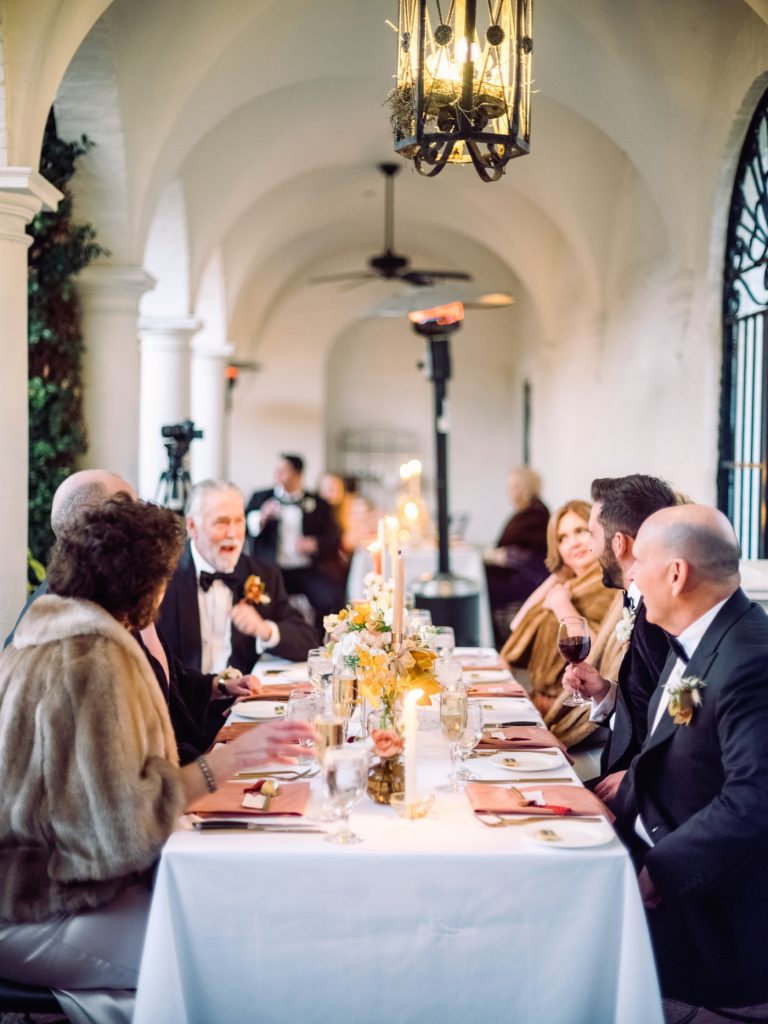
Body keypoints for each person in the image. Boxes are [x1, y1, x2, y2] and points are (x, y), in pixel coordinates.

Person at [0, 496, 314, 1024]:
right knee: (213, 954)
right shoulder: (92, 657)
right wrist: (225, 763)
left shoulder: (54, 630)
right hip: (36, 901)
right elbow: (125, 829)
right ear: (140, 582)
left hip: (52, 882)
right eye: (163, 578)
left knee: (212, 925)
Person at [611, 504, 768, 1011]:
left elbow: (753, 798)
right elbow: (664, 747)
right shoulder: (696, 638)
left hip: (697, 900)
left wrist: (662, 869)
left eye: (641, 561)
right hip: (639, 843)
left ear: (676, 574)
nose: (631, 573)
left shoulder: (750, 658)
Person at [5, 469, 258, 765]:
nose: (143, 518)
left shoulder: (117, 591)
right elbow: (117, 770)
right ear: (107, 527)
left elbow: (166, 681)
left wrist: (218, 686)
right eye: (134, 508)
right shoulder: (71, 629)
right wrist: (221, 765)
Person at [561, 475, 678, 804]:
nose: (588, 546)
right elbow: (648, 705)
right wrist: (604, 692)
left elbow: (682, 725)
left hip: (644, 796)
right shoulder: (635, 602)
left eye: (592, 534)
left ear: (619, 544)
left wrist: (637, 777)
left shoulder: (663, 616)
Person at [159, 479, 317, 677]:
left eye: (239, 521)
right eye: (221, 522)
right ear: (192, 526)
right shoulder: (163, 578)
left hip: (242, 703)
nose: (233, 533)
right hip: (183, 705)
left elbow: (308, 641)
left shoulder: (263, 575)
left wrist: (264, 629)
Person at [500, 499, 617, 720]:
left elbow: (599, 654)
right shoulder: (570, 584)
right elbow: (518, 625)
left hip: (573, 711)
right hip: (539, 701)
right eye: (562, 538)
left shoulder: (609, 585)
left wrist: (562, 606)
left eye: (580, 531)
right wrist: (558, 575)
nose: (572, 543)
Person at [246, 454, 344, 628]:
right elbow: (245, 527)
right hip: (272, 570)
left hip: (307, 569)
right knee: (260, 603)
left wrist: (315, 543)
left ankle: (319, 640)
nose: (278, 473)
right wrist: (262, 517)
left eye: (284, 470)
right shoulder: (261, 497)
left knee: (330, 598)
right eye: (277, 469)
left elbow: (334, 536)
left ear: (298, 475)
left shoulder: (318, 503)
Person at [484, 467, 550, 648]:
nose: (509, 493)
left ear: (524, 488)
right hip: (519, 575)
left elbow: (524, 556)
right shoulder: (526, 513)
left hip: (528, 579)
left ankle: (495, 642)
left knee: (485, 586)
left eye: (512, 487)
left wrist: (495, 555)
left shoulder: (535, 515)